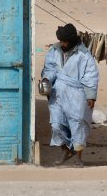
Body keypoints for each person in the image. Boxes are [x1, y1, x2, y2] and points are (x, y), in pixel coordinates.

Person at [41, 23, 99, 167]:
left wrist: (91, 95)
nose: (62, 43)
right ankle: (65, 151)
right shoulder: (54, 51)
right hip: (57, 93)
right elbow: (50, 68)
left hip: (77, 94)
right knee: (56, 124)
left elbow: (91, 75)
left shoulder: (84, 55)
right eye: (60, 40)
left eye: (64, 41)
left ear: (72, 40)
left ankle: (78, 158)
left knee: (77, 123)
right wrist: (46, 79)